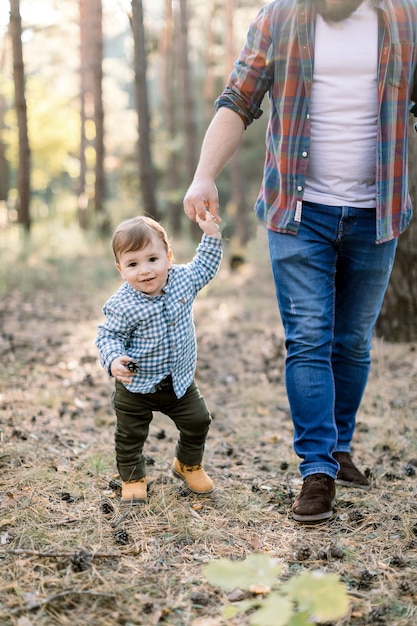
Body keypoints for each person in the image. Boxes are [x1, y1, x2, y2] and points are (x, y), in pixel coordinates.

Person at [183, 0, 417, 523]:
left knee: (352, 342)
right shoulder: (278, 18)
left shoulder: (406, 18)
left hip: (377, 213)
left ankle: (338, 448)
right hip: (298, 210)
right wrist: (203, 175)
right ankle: (317, 472)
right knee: (310, 336)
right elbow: (237, 100)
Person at [96, 214, 222, 503]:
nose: (145, 271)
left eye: (152, 259)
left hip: (178, 382)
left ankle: (187, 464)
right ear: (120, 269)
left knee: (198, 420)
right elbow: (107, 336)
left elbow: (205, 265)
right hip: (135, 387)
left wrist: (211, 233)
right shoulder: (122, 304)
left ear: (168, 256)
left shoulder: (182, 281)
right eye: (133, 264)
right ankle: (132, 477)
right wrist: (114, 359)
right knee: (130, 435)